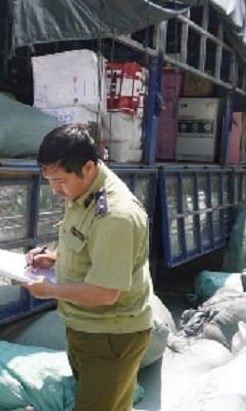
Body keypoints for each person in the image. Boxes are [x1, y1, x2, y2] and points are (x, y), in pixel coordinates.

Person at [20, 125, 153, 411]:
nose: (55, 190)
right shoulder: (83, 192)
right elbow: (91, 251)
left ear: (88, 167)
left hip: (110, 336)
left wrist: (50, 291)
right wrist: (54, 259)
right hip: (86, 329)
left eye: (60, 181)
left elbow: (105, 293)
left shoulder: (115, 216)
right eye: (49, 181)